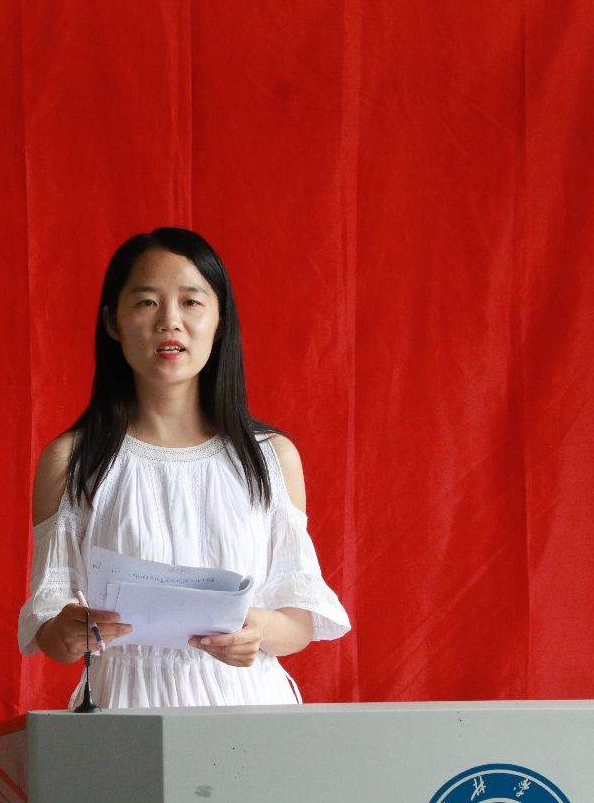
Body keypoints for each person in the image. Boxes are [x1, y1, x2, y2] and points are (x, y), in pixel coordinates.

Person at [18, 227, 349, 708]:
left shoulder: (271, 458)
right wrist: (69, 633)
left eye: (191, 302)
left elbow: (298, 619)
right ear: (112, 322)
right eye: (146, 302)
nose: (169, 321)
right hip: (123, 709)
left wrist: (257, 629)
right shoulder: (72, 461)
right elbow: (50, 624)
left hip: (248, 712)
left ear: (220, 320)